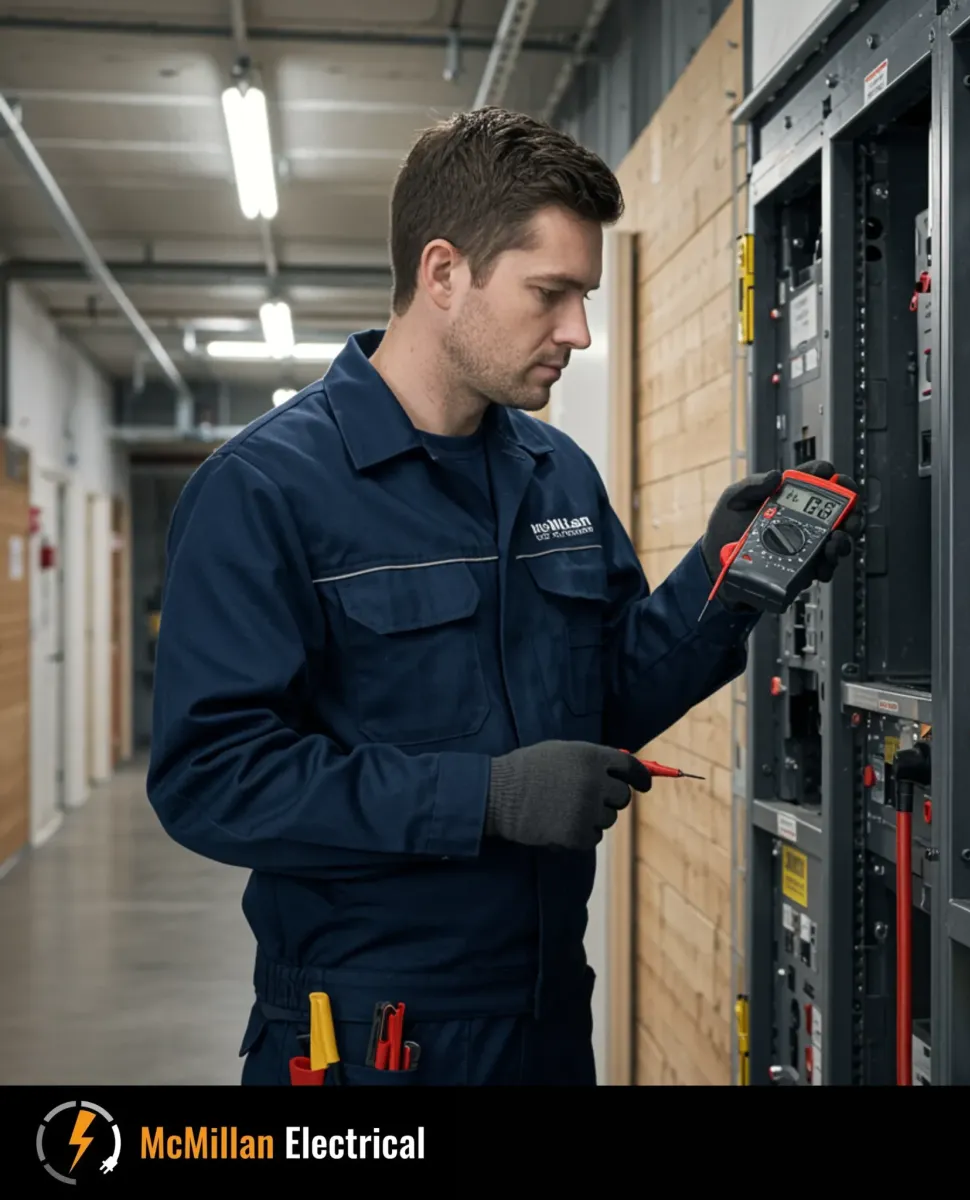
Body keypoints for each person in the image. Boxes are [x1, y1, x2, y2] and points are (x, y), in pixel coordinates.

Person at [146, 107, 861, 1087]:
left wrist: (723, 582)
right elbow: (212, 781)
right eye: (549, 293)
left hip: (548, 1016)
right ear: (443, 273)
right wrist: (483, 800)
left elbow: (604, 697)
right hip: (367, 1036)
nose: (577, 331)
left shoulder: (553, 472)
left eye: (584, 296)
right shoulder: (266, 490)